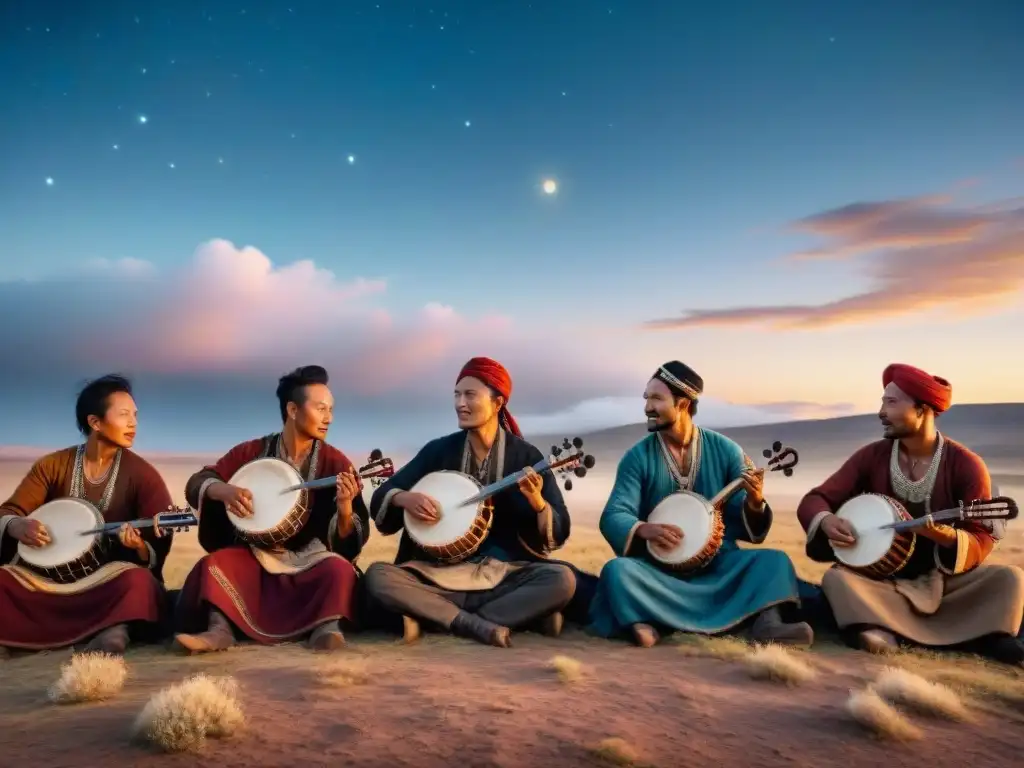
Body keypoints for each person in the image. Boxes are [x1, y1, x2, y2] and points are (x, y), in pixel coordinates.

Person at [797, 363, 1024, 664]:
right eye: (882, 402)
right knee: (838, 580)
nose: (881, 412)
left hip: (944, 584)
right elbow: (817, 498)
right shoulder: (872, 456)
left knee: (1008, 578)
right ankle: (970, 636)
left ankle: (882, 630)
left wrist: (943, 535)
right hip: (878, 581)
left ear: (922, 410)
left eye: (891, 403)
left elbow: (981, 536)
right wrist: (826, 520)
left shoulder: (966, 464)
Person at [588, 361, 812, 648]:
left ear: (682, 404)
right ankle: (644, 622)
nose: (647, 407)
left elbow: (748, 522)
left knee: (774, 561)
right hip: (659, 569)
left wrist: (755, 501)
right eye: (646, 399)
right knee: (617, 571)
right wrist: (644, 529)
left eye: (656, 399)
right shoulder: (637, 457)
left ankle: (767, 625)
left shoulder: (727, 450)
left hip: (718, 565)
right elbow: (614, 513)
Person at [363, 357, 578, 647]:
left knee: (561, 579)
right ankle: (488, 622)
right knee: (378, 576)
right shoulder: (439, 450)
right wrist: (405, 497)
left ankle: (440, 617)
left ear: (498, 402)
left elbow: (559, 531)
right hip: (437, 576)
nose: (460, 403)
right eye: (457, 395)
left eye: (470, 395)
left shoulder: (525, 457)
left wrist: (538, 502)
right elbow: (382, 495)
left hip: (500, 576)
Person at [173, 365, 368, 654]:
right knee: (214, 564)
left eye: (331, 410)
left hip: (309, 559)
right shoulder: (251, 452)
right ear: (292, 410)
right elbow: (197, 482)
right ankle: (219, 631)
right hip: (256, 555)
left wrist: (344, 507)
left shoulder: (335, 461)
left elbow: (348, 543)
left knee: (339, 569)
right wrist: (224, 490)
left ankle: (326, 631)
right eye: (321, 408)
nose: (329, 418)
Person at [0, 374, 174, 657]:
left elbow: (157, 545)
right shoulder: (52, 465)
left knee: (139, 584)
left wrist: (139, 547)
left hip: (104, 584)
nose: (133, 423)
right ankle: (103, 629)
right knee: (3, 580)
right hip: (48, 579)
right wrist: (17, 525)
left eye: (135, 415)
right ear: (95, 422)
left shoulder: (143, 475)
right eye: (124, 415)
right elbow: (9, 512)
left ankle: (112, 633)